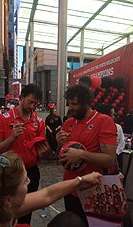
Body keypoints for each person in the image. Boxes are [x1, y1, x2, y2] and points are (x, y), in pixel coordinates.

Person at [0, 151, 102, 227]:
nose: (29, 181)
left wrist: (81, 180)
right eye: (24, 181)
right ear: (8, 200)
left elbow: (47, 194)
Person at [56, 84, 117, 226]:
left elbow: (109, 160)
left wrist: (82, 155)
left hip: (93, 192)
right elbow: (63, 156)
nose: (70, 108)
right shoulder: (69, 122)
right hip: (70, 188)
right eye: (69, 104)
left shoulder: (104, 121)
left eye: (75, 104)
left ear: (87, 103)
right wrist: (59, 143)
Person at [0, 83, 50, 224]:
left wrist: (46, 152)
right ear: (22, 98)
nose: (32, 106)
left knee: (26, 213)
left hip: (31, 173)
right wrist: (12, 138)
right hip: (8, 172)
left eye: (36, 103)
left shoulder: (39, 121)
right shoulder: (4, 118)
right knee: (5, 212)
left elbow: (44, 153)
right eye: (30, 102)